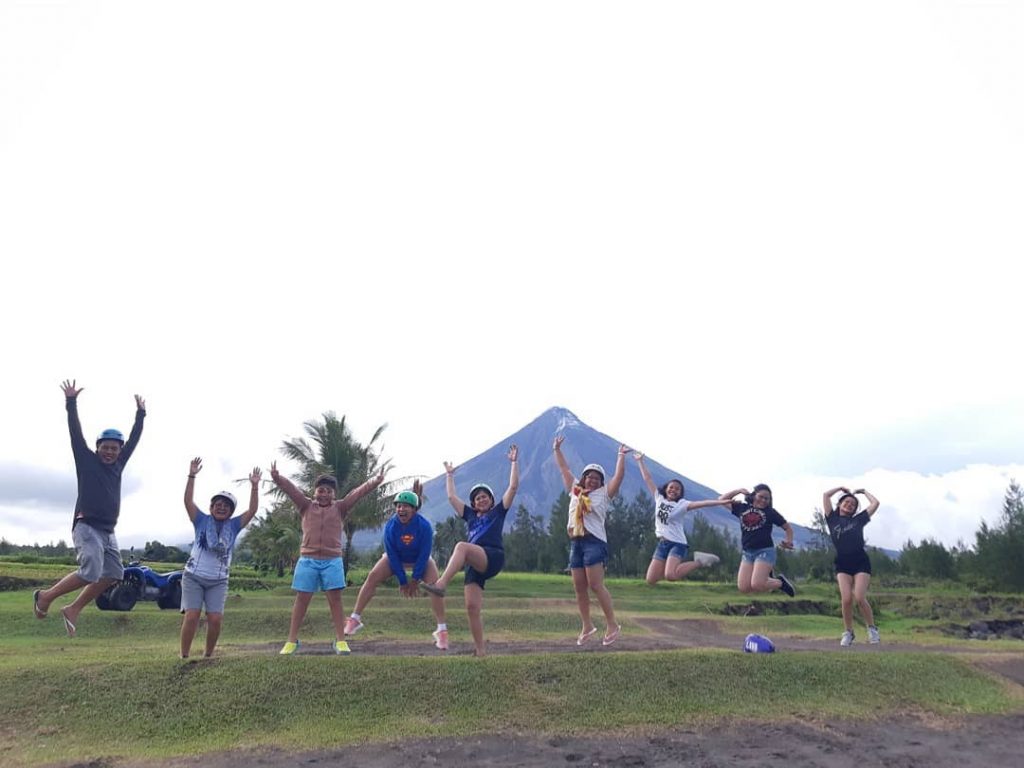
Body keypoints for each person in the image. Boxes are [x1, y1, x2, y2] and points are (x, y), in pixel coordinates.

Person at [34, 380, 145, 637]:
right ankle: (45, 596)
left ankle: (73, 609)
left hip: (108, 531)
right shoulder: (86, 461)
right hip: (87, 526)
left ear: (119, 451)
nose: (109, 452)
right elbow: (75, 433)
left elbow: (134, 440)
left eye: (114, 448)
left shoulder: (119, 465)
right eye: (105, 447)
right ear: (97, 448)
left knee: (114, 573)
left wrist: (141, 415)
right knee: (91, 572)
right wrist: (71, 402)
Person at [270, 461, 385, 655]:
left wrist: (375, 481)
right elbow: (292, 490)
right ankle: (291, 641)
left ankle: (340, 641)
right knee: (302, 599)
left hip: (332, 560)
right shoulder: (305, 505)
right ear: (315, 492)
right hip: (307, 560)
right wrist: (277, 478)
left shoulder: (340, 507)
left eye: (329, 491)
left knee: (335, 600)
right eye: (321, 490)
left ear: (334, 494)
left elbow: (358, 493)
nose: (324, 494)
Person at [421, 445, 519, 657]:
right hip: (474, 563)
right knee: (472, 608)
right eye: (477, 498)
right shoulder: (471, 517)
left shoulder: (498, 512)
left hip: (492, 556)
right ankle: (480, 651)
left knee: (461, 546)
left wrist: (513, 462)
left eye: (485, 497)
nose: (481, 500)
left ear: (491, 500)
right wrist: (449, 475)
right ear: (473, 504)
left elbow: (512, 488)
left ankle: (441, 584)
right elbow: (451, 498)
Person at [344, 482, 448, 650]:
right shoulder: (391, 526)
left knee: (435, 586)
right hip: (397, 558)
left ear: (414, 509)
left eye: (405, 506)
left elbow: (424, 555)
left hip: (419, 559)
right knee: (372, 577)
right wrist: (403, 581)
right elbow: (391, 555)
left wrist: (415, 579)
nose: (401, 509)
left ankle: (442, 630)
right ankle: (355, 619)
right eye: (398, 506)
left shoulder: (424, 526)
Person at [179, 458, 261, 658]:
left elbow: (252, 511)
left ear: (231, 511)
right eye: (218, 504)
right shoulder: (200, 520)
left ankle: (208, 655)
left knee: (215, 619)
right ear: (211, 507)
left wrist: (254, 487)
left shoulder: (234, 525)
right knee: (192, 616)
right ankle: (184, 656)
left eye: (226, 506)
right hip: (193, 577)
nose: (221, 507)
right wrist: (191, 476)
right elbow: (188, 502)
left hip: (218, 580)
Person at [552, 436, 628, 646]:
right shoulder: (575, 490)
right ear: (584, 478)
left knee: (595, 584)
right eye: (589, 477)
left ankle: (612, 624)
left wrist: (621, 456)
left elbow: (619, 477)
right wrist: (557, 449)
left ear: (601, 482)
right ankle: (587, 625)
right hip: (575, 542)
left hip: (594, 542)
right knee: (579, 587)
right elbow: (564, 469)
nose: (592, 480)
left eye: (597, 478)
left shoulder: (604, 494)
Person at [634, 452, 728, 585]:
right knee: (651, 579)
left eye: (677, 489)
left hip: (677, 543)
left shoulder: (682, 504)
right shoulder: (659, 498)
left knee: (671, 575)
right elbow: (648, 479)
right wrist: (640, 461)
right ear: (666, 489)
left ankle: (699, 561)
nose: (673, 490)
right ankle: (668, 571)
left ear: (681, 493)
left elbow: (703, 503)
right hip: (662, 543)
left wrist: (722, 502)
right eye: (671, 487)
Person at [822, 486, 881, 646]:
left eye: (853, 504)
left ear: (855, 509)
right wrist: (840, 489)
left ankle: (872, 629)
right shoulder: (832, 519)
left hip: (860, 561)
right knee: (846, 599)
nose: (849, 505)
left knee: (860, 597)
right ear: (840, 504)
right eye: (846, 502)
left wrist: (864, 492)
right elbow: (826, 495)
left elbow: (875, 503)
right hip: (842, 563)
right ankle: (848, 632)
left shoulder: (858, 520)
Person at [718, 484, 796, 597]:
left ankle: (780, 583)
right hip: (747, 552)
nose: (763, 500)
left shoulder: (770, 512)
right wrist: (738, 491)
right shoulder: (742, 508)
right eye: (761, 497)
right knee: (744, 587)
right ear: (754, 495)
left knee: (757, 584)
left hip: (765, 551)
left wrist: (789, 541)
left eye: (766, 498)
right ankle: (768, 579)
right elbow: (721, 500)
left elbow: (788, 528)